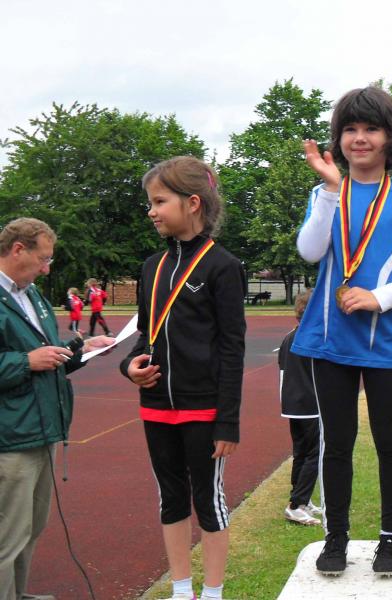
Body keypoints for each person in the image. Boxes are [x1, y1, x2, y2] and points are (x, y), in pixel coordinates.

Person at [292, 86, 392, 576]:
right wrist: (329, 190)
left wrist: (380, 297)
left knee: (389, 443)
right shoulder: (325, 194)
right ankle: (334, 536)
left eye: (371, 129)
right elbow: (310, 252)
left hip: (385, 342)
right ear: (339, 137)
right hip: (328, 339)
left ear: (390, 137)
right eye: (350, 129)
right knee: (335, 442)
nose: (359, 138)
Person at [120, 156, 246, 600]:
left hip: (204, 408)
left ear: (192, 203)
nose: (151, 211)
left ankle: (212, 592)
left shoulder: (222, 266)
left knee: (208, 501)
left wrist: (228, 421)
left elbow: (232, 348)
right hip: (156, 406)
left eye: (159, 201)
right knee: (170, 498)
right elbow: (144, 335)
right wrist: (129, 366)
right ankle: (180, 590)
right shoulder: (151, 267)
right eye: (150, 202)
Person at [0, 217, 114, 600]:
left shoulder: (31, 295)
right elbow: (30, 359)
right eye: (44, 259)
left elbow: (47, 354)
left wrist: (82, 349)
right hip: (10, 437)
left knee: (31, 528)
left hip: (42, 429)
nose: (48, 268)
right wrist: (25, 362)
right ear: (18, 249)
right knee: (6, 536)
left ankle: (17, 594)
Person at [278, 288, 322, 526]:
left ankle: (301, 498)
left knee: (302, 453)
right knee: (315, 453)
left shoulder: (290, 336)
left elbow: (283, 370)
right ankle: (296, 504)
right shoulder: (315, 338)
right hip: (310, 403)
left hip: (292, 404)